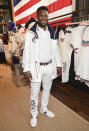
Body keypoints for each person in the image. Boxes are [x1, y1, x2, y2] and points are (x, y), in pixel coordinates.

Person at [22, 6, 62, 128]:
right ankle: (34, 114)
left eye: (45, 15)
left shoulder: (52, 32)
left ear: (47, 16)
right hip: (36, 68)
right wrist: (26, 68)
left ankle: (44, 108)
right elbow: (27, 51)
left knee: (47, 89)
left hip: (49, 66)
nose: (43, 18)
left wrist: (59, 65)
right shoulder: (30, 33)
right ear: (37, 16)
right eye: (41, 15)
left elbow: (56, 51)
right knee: (34, 93)